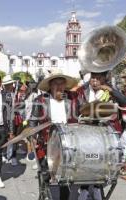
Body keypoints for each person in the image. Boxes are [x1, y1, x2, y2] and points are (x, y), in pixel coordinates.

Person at [74, 71, 126, 200]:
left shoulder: (110, 90)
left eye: (99, 78)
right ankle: (85, 190)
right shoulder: (82, 91)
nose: (95, 81)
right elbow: (77, 109)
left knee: (100, 163)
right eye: (93, 77)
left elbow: (125, 102)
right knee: (88, 161)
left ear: (104, 79)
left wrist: (110, 90)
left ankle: (97, 188)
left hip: (105, 135)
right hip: (87, 133)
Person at [29, 69, 78, 200]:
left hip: (68, 143)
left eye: (62, 83)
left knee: (65, 177)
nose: (59, 86)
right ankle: (44, 193)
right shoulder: (40, 99)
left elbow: (79, 118)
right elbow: (33, 120)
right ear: (50, 85)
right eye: (56, 83)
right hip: (46, 142)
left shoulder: (72, 98)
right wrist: (32, 137)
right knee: (45, 174)